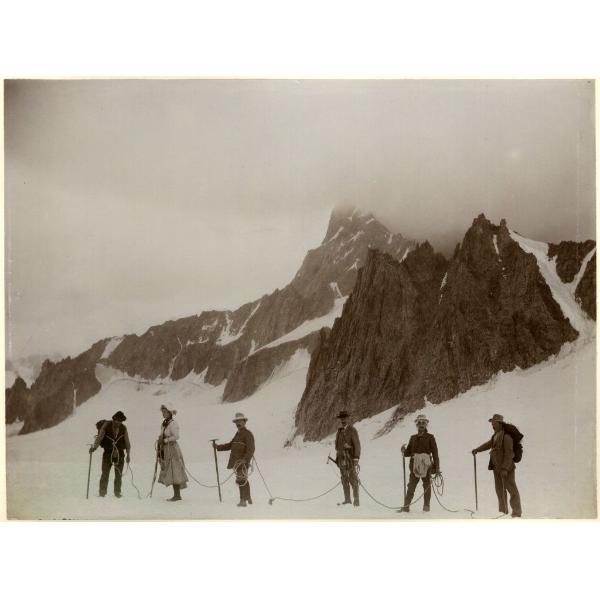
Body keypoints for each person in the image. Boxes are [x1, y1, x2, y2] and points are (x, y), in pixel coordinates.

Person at [472, 414, 522, 517]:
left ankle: (517, 513)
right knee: (500, 491)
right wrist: (477, 450)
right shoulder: (495, 435)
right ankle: (503, 512)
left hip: (506, 469)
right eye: (492, 423)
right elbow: (488, 444)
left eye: (493, 423)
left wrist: (505, 468)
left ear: (499, 423)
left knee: (512, 490)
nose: (492, 425)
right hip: (497, 468)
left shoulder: (506, 437)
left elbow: (509, 454)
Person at [399, 414, 439, 513]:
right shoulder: (413, 438)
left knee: (427, 486)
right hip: (414, 466)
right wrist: (404, 451)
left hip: (426, 466)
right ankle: (406, 506)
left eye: (423, 423)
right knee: (411, 486)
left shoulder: (430, 437)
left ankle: (426, 507)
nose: (421, 424)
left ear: (426, 424)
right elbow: (408, 453)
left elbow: (435, 453)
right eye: (419, 423)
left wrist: (437, 467)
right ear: (417, 425)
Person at [214, 412, 255, 507]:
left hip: (243, 462)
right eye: (237, 422)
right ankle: (248, 498)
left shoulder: (248, 434)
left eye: (240, 421)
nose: (238, 423)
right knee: (243, 479)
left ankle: (243, 501)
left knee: (241, 480)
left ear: (244, 422)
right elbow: (230, 445)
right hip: (236, 461)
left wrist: (245, 459)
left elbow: (251, 449)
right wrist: (218, 447)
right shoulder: (237, 434)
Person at [89, 411, 131, 498]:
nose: (119, 422)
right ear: (114, 419)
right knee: (105, 473)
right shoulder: (106, 426)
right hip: (107, 453)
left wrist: (128, 455)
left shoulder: (123, 428)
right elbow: (100, 438)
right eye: (117, 420)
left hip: (120, 454)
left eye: (121, 421)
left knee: (118, 475)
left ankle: (117, 492)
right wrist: (94, 448)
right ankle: (102, 492)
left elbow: (127, 442)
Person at [157, 403, 188, 502]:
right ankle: (176, 494)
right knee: (170, 470)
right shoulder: (164, 424)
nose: (163, 414)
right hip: (166, 449)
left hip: (172, 449)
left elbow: (176, 436)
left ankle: (177, 495)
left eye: (165, 412)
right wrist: (160, 440)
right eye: (162, 412)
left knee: (174, 470)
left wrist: (165, 440)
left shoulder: (173, 423)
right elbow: (163, 435)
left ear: (170, 413)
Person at [335, 410, 361, 507]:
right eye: (341, 418)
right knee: (344, 479)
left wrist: (356, 458)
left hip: (350, 459)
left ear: (348, 418)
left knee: (353, 479)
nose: (343, 420)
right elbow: (337, 447)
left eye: (344, 418)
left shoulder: (352, 430)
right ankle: (347, 499)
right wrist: (338, 458)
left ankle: (356, 500)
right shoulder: (339, 432)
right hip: (342, 460)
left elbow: (357, 445)